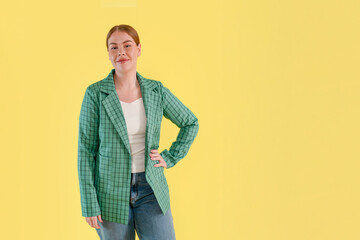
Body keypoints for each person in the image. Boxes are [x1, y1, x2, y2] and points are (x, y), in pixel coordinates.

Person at [77, 24, 199, 240]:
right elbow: (86, 150)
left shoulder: (156, 91)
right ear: (108, 54)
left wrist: (170, 157)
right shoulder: (95, 94)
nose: (121, 52)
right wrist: (89, 201)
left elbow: (190, 122)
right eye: (113, 48)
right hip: (109, 192)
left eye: (127, 45)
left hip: (150, 189)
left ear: (139, 49)